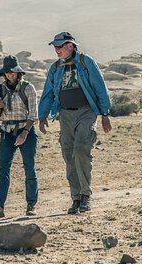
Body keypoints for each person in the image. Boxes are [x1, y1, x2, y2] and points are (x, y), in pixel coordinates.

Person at [38, 32, 112, 214]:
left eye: (59, 46)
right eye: (55, 47)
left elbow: (99, 87)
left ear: (70, 46)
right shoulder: (56, 67)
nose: (56, 50)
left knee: (81, 150)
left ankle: (86, 195)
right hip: (64, 115)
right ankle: (76, 198)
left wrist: (105, 113)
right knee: (68, 155)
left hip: (86, 112)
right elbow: (48, 91)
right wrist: (42, 116)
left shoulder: (86, 63)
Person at [0, 55, 39, 218]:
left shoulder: (28, 88)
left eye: (12, 72)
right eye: (7, 72)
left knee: (29, 168)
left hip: (26, 132)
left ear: (18, 73)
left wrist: (24, 133)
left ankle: (31, 205)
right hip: (7, 133)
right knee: (3, 169)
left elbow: (33, 115)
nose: (9, 75)